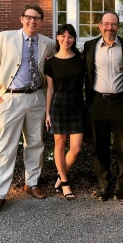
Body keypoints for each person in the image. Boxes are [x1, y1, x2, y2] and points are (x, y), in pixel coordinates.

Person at [0, 4, 55, 212]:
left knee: (35, 143)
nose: (33, 21)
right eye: (29, 17)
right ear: (22, 19)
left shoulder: (48, 43)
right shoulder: (5, 38)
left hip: (36, 98)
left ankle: (32, 183)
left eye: (37, 18)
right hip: (9, 99)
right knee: (5, 146)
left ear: (42, 21)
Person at [83, 11, 123, 201]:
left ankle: (122, 182)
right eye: (106, 24)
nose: (110, 27)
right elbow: (77, 66)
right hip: (98, 102)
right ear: (100, 26)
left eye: (113, 24)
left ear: (118, 26)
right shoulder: (90, 46)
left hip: (121, 101)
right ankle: (104, 182)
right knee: (100, 145)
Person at [44, 24, 84, 200]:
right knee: (59, 144)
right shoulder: (50, 62)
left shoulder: (81, 59)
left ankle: (60, 176)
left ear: (74, 39)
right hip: (58, 105)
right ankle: (66, 183)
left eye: (70, 36)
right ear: (57, 38)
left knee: (76, 148)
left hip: (77, 104)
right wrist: (47, 113)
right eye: (63, 36)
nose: (66, 39)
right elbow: (50, 89)